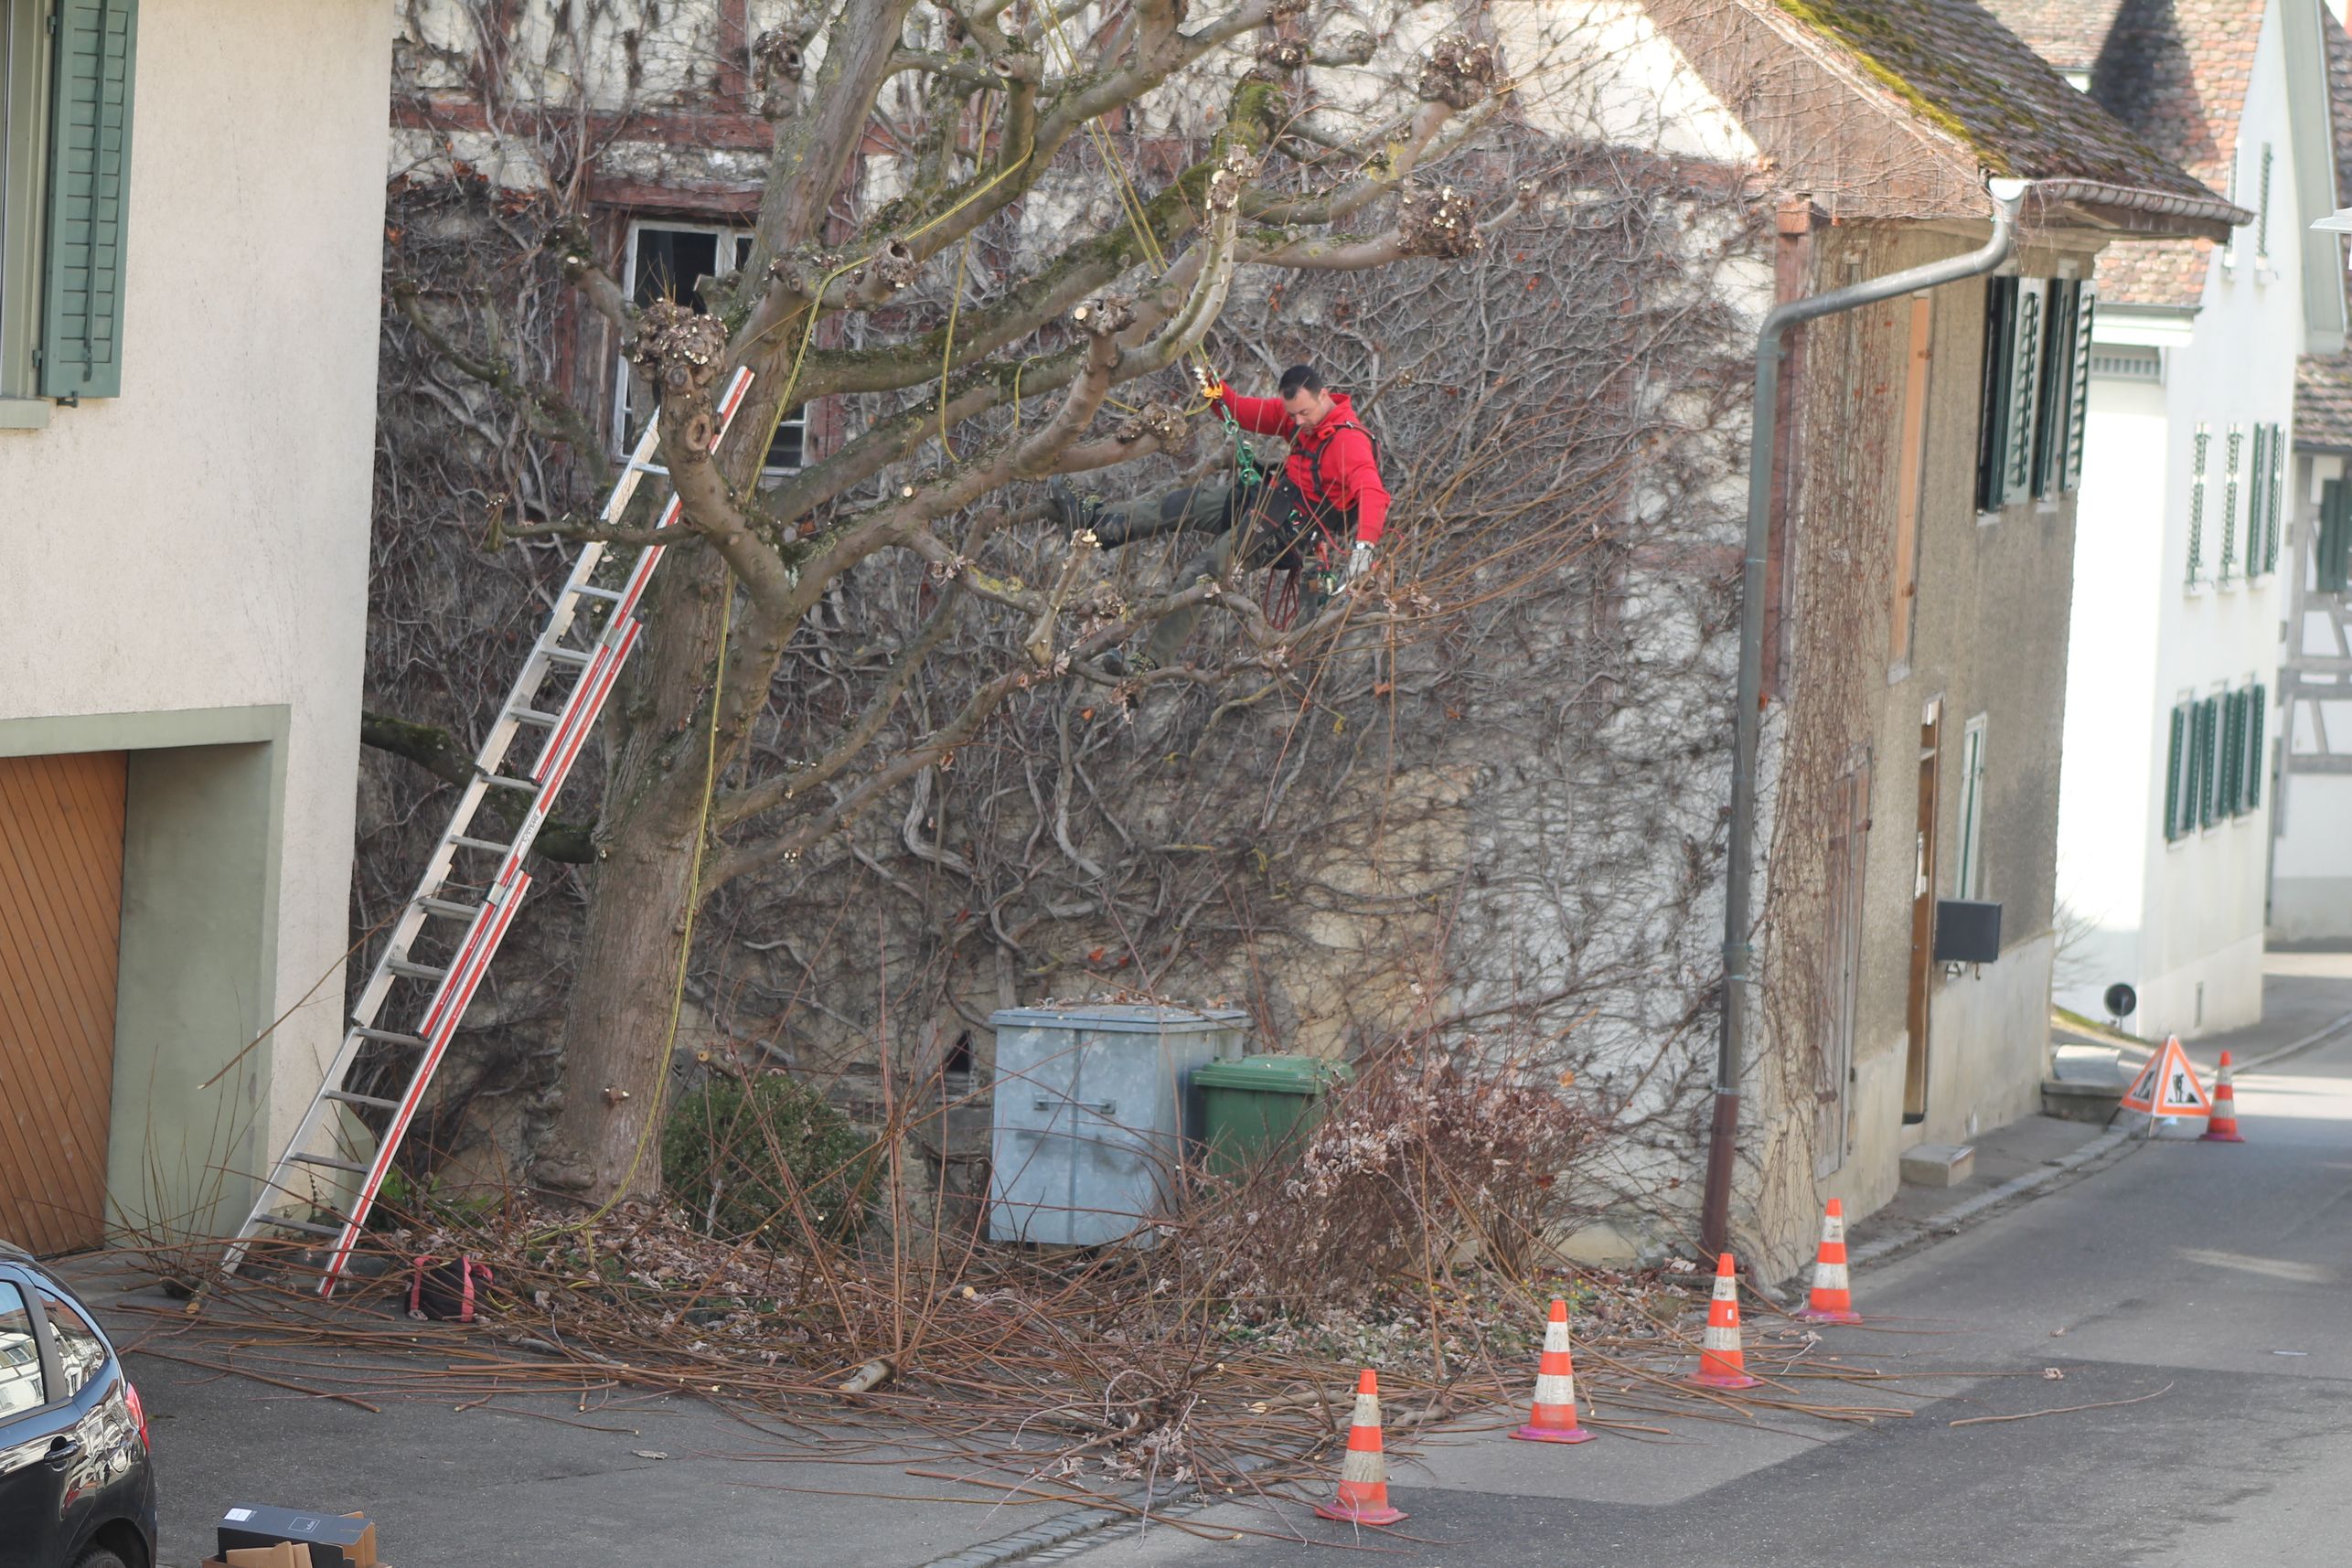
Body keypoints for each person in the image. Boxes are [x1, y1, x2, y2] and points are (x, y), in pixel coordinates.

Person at [1051, 363, 1392, 671]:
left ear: (1323, 396)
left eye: (1303, 412)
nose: (1297, 422)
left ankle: (1148, 662)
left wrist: (1363, 551)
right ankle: (1095, 524)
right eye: (1292, 414)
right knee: (1182, 506)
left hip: (1286, 532)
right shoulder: (1298, 419)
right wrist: (1217, 392)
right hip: (1268, 502)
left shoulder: (1348, 442)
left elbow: (1373, 494)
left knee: (1205, 569)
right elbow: (1246, 412)